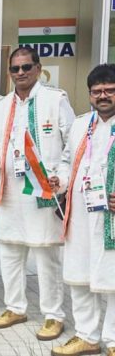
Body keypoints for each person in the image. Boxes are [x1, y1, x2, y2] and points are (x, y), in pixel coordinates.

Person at [0, 47, 73, 337]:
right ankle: (15, 307)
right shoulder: (2, 105)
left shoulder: (55, 99)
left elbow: (71, 146)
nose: (20, 73)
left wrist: (61, 180)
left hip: (43, 192)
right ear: (9, 73)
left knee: (45, 254)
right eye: (15, 69)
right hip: (10, 190)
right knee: (9, 250)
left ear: (38, 68)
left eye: (26, 67)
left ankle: (53, 315)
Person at [49, 64, 115, 356]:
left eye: (110, 90)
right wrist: (59, 180)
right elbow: (66, 161)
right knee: (78, 274)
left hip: (110, 217)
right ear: (89, 94)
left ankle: (113, 340)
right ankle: (86, 335)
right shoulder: (80, 124)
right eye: (97, 91)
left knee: (113, 278)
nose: (103, 96)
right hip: (79, 212)